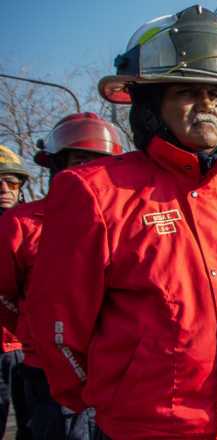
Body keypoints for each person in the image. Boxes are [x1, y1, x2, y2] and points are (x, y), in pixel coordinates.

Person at [25, 6, 217, 439]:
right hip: (148, 429)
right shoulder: (95, 192)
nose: (207, 106)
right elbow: (58, 322)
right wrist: (109, 398)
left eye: (216, 95)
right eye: (187, 92)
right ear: (149, 106)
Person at [0, 114, 124, 440]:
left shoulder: (125, 222)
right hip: (49, 371)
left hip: (113, 369)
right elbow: (4, 294)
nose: (91, 171)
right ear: (58, 164)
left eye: (101, 162)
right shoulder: (22, 223)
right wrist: (36, 329)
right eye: (80, 160)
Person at [0, 144, 31, 439]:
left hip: (22, 346)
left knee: (31, 422)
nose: (4, 188)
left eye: (12, 181)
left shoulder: (30, 224)